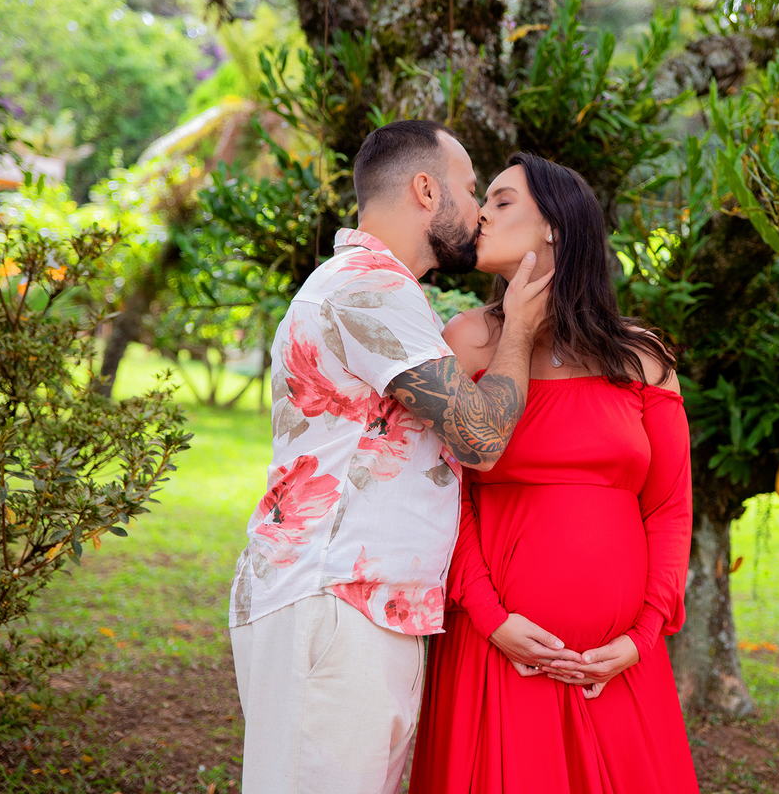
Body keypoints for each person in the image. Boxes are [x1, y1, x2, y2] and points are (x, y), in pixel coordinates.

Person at [226, 122, 575, 794]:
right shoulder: (367, 287)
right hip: (333, 600)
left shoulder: (381, 290)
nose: (478, 212)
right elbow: (479, 439)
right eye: (471, 191)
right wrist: (520, 331)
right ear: (426, 190)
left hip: (364, 605)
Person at [409, 153, 700, 793]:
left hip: (617, 665)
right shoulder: (466, 341)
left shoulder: (642, 359)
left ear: (555, 227)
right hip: (496, 651)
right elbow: (442, 495)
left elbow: (669, 508)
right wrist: (491, 618)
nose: (481, 214)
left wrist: (643, 635)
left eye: (502, 200)